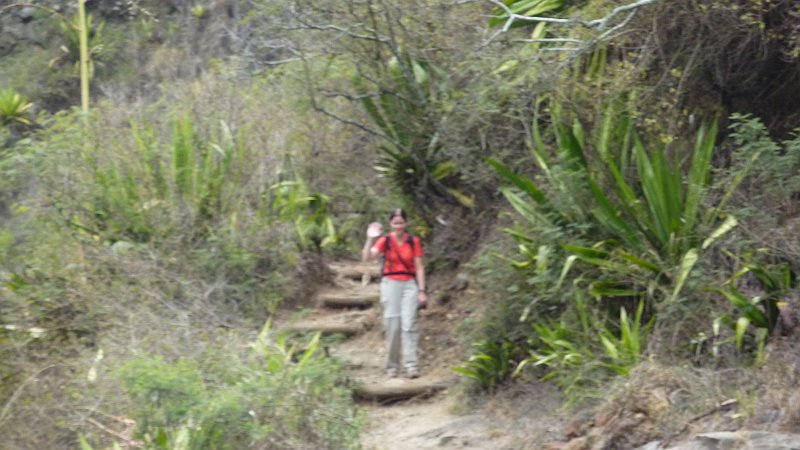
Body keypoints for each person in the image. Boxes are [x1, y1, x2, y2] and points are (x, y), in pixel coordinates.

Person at [362, 208, 428, 378]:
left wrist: (421, 291)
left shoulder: (414, 241)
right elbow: (368, 257)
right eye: (395, 223)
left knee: (409, 324)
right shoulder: (385, 241)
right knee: (393, 324)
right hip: (390, 284)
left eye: (401, 223)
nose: (398, 226)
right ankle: (392, 367)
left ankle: (411, 365)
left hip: (409, 284)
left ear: (406, 223)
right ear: (390, 224)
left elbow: (419, 267)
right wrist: (370, 238)